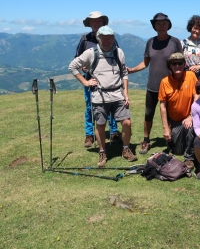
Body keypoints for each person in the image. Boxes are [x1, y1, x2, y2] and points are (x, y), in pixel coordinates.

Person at [69, 26, 137, 167]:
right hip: (99, 96)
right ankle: (102, 152)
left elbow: (124, 72)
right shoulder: (91, 53)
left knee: (127, 123)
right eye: (104, 38)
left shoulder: (119, 52)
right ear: (98, 39)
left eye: (110, 38)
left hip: (118, 94)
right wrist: (86, 82)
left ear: (113, 38)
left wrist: (126, 93)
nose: (107, 41)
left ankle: (125, 149)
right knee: (100, 125)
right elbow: (72, 66)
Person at [127, 13, 182, 154]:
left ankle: (171, 140)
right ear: (154, 26)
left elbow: (180, 63)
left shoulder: (175, 42)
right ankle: (146, 140)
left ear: (168, 25)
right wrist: (132, 70)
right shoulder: (150, 42)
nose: (161, 26)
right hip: (153, 85)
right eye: (158, 23)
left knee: (171, 115)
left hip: (171, 85)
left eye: (164, 23)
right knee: (148, 114)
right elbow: (145, 63)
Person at [75, 11, 121, 148]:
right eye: (94, 21)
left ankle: (114, 132)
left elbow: (116, 57)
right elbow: (77, 59)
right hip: (91, 80)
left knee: (112, 105)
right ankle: (89, 135)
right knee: (90, 107)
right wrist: (83, 67)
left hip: (109, 80)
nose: (96, 23)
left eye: (99, 21)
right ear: (89, 24)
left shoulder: (111, 38)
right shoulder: (85, 40)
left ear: (103, 23)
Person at [158, 53, 199, 171]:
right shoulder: (165, 82)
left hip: (189, 117)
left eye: (180, 63)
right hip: (175, 121)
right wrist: (166, 128)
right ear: (170, 66)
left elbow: (196, 96)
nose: (177, 66)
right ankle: (182, 143)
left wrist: (191, 116)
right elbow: (163, 106)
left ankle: (189, 158)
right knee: (177, 150)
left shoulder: (191, 75)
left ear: (184, 64)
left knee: (191, 128)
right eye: (174, 63)